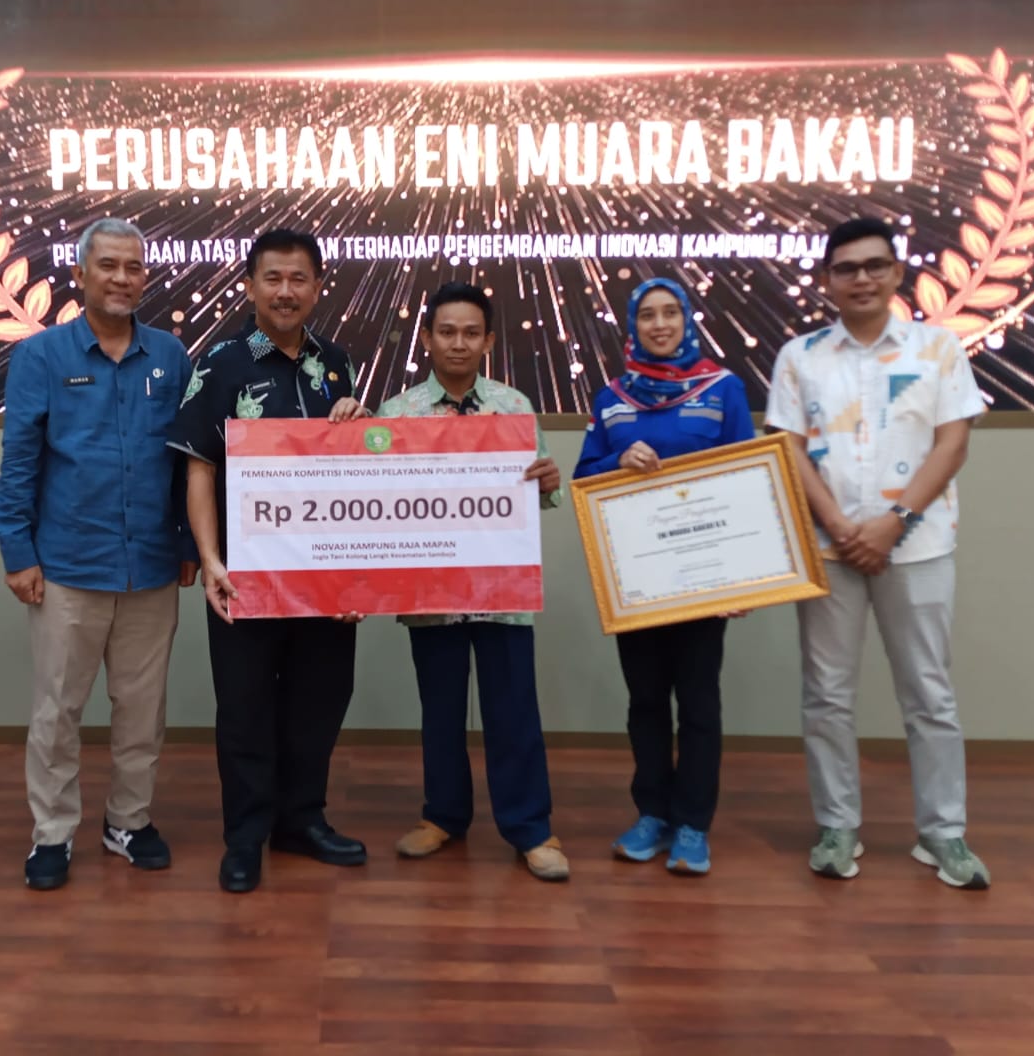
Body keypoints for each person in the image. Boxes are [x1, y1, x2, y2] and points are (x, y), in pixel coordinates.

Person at [768, 217, 990, 890]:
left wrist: (893, 521)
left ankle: (943, 833)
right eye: (845, 268)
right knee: (827, 696)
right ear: (827, 281)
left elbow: (953, 442)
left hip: (917, 547)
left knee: (929, 693)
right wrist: (838, 525)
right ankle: (837, 826)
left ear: (897, 273)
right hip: (829, 553)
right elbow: (788, 448)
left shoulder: (940, 349)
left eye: (873, 266)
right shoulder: (799, 356)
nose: (860, 278)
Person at [0, 219, 197, 892]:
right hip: (68, 568)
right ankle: (51, 833)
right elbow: (18, 460)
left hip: (153, 569)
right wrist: (17, 550)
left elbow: (189, 462)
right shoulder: (42, 357)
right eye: (107, 265)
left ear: (146, 277)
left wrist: (191, 544)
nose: (121, 277)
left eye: (133, 267)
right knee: (58, 711)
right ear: (80, 275)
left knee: (142, 709)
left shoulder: (170, 355)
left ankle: (127, 822)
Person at [168, 228, 369, 894]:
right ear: (249, 286)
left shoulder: (337, 362)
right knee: (246, 707)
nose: (286, 291)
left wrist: (360, 427)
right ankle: (246, 835)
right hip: (245, 576)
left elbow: (356, 470)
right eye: (273, 278)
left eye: (299, 279)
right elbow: (199, 469)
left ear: (317, 287)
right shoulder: (220, 365)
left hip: (326, 578)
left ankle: (301, 820)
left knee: (319, 700)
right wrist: (209, 559)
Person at [379, 283, 569, 882]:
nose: (457, 343)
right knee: (440, 709)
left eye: (469, 333)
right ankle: (443, 816)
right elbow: (378, 502)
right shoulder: (397, 414)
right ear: (428, 338)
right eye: (445, 331)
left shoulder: (513, 407)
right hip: (431, 591)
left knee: (513, 710)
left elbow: (544, 493)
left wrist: (546, 479)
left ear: (487, 341)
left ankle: (531, 828)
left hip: (502, 592)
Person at [573, 277, 754, 876]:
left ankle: (693, 826)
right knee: (646, 702)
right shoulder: (612, 397)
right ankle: (651, 813)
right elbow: (584, 477)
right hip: (638, 580)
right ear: (633, 325)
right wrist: (616, 460)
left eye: (670, 313)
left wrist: (739, 577)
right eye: (647, 315)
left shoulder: (722, 389)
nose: (658, 324)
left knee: (699, 703)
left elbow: (745, 478)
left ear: (686, 320)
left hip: (701, 578)